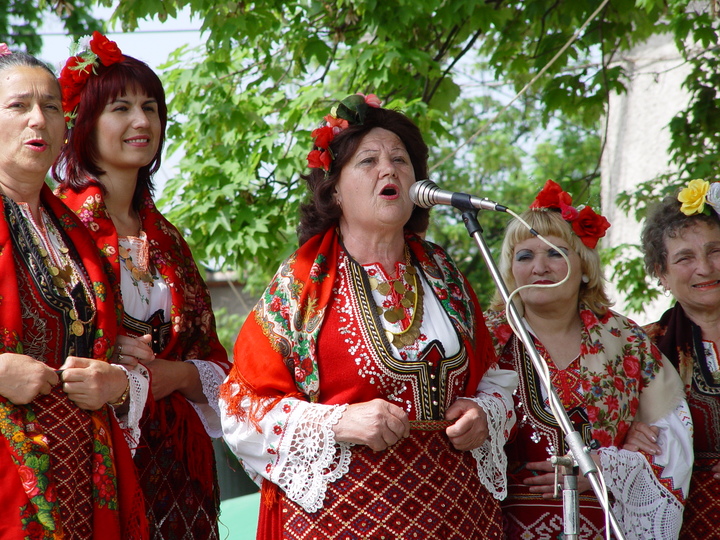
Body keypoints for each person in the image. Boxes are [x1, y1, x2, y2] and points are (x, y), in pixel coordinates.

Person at [219, 93, 518, 539]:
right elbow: (240, 407)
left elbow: (494, 376)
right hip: (346, 521)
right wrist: (339, 422)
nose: (389, 169)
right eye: (368, 161)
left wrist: (483, 412)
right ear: (334, 189)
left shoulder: (444, 274)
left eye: (400, 159)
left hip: (460, 516)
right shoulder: (303, 283)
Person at [52, 32, 231, 539]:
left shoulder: (170, 239)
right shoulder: (58, 224)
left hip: (177, 472)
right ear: (82, 125)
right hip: (89, 458)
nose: (141, 121)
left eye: (150, 108)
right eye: (121, 108)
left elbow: (217, 370)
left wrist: (165, 375)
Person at [484, 179, 693, 539]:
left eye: (555, 252)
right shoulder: (485, 339)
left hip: (606, 525)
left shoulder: (627, 340)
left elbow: (672, 436)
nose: (539, 267)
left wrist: (621, 463)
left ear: (583, 268)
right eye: (525, 255)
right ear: (510, 270)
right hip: (502, 526)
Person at [0, 45, 148, 539]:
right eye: (18, 106)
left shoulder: (76, 232)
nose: (38, 120)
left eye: (52, 107)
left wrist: (116, 376)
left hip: (83, 473)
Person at [641, 179, 720, 538]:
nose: (704, 268)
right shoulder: (639, 349)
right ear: (661, 273)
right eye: (684, 258)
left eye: (716, 250)